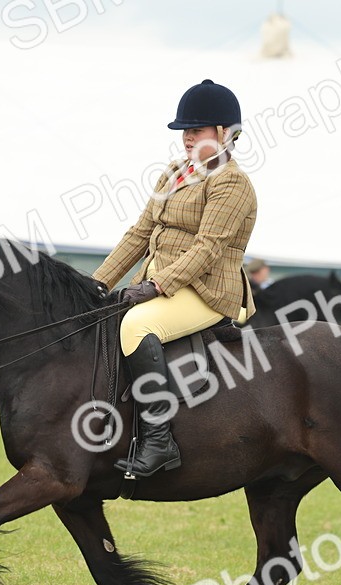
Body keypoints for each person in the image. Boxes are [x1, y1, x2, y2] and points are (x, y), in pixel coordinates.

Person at [93, 79, 258, 477]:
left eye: (195, 130)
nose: (187, 138)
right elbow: (140, 232)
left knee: (136, 326)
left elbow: (208, 248)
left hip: (207, 291)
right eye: (185, 131)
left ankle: (159, 441)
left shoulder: (232, 183)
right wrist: (99, 282)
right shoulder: (175, 173)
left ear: (224, 133)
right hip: (163, 282)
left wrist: (157, 285)